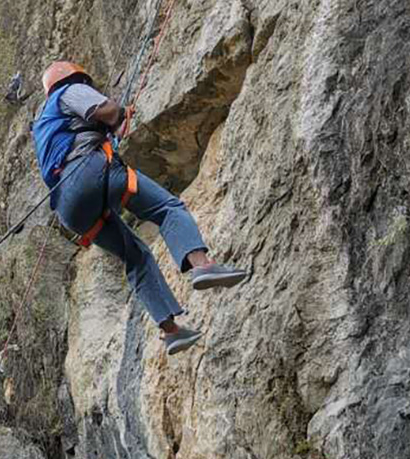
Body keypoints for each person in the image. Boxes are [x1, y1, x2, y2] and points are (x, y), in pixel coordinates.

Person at [32, 60, 248, 355]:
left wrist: (114, 127)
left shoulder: (44, 123)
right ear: (75, 78)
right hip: (88, 172)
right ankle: (202, 267)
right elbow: (104, 110)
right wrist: (118, 113)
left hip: (69, 209)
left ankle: (172, 331)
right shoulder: (70, 91)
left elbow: (84, 133)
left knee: (135, 256)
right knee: (167, 208)